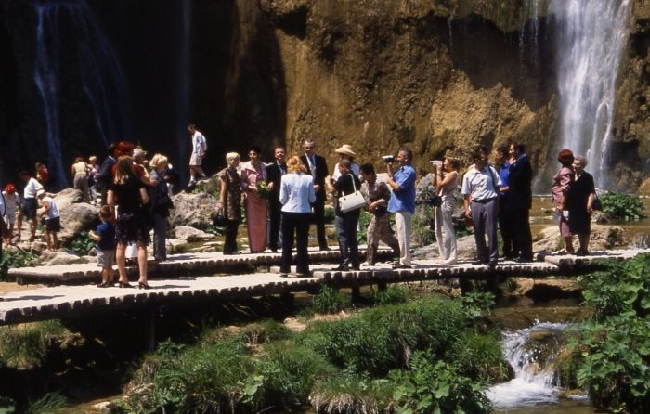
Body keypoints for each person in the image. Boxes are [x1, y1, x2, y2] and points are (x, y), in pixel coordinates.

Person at [107, 156, 151, 289]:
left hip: (122, 215)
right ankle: (142, 279)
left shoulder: (115, 182)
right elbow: (145, 199)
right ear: (129, 166)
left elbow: (109, 202)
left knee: (121, 246)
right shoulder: (136, 180)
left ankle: (123, 278)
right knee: (141, 246)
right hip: (137, 214)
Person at [461, 146, 501, 267]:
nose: (485, 161)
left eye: (486, 158)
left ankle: (493, 257)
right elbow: (466, 194)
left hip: (490, 201)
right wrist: (467, 209)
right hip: (476, 203)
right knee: (478, 231)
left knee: (491, 230)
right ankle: (481, 256)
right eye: (483, 159)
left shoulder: (491, 171)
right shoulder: (468, 175)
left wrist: (496, 202)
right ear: (476, 160)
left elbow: (498, 186)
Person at [278, 156, 316, 277]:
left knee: (286, 242)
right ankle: (302, 269)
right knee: (302, 241)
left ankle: (284, 269)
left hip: (288, 211)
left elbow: (282, 199)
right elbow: (312, 198)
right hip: (304, 212)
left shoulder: (284, 178)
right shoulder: (309, 178)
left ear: (289, 165)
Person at [359, 163, 399, 266]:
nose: (362, 176)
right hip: (375, 211)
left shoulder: (379, 183)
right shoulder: (365, 183)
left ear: (370, 174)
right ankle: (402, 254)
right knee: (386, 236)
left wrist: (377, 202)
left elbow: (389, 197)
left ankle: (370, 260)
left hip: (384, 211)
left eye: (363, 174)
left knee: (371, 233)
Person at [328, 159, 363, 270]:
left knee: (342, 236)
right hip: (354, 210)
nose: (339, 170)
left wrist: (328, 181)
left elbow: (332, 189)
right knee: (352, 237)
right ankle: (355, 262)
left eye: (339, 168)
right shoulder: (355, 177)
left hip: (343, 211)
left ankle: (344, 262)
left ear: (343, 167)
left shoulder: (344, 177)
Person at [386, 147, 417, 269]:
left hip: (404, 205)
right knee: (400, 233)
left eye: (399, 156)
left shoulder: (409, 171)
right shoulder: (401, 169)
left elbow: (398, 187)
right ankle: (403, 259)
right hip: (398, 205)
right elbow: (393, 178)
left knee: (403, 234)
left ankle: (405, 261)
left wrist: (389, 181)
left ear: (406, 158)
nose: (397, 158)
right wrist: (389, 167)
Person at [300, 137, 330, 251]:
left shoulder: (321, 160)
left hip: (319, 192)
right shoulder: (300, 160)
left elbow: (325, 175)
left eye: (310, 148)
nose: (308, 150)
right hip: (305, 194)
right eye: (306, 148)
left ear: (314, 148)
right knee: (304, 220)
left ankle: (323, 244)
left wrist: (320, 185)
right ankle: (303, 245)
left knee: (320, 220)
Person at [432, 157, 461, 265]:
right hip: (440, 201)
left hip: (447, 201)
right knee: (438, 229)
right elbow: (434, 184)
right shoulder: (445, 174)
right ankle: (444, 255)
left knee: (448, 229)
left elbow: (441, 185)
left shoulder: (454, 174)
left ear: (452, 164)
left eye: (446, 162)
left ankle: (453, 256)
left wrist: (439, 171)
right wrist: (436, 172)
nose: (443, 163)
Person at [508, 143, 534, 262]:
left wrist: (511, 167)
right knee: (520, 227)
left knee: (522, 228)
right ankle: (524, 253)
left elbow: (517, 179)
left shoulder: (523, 162)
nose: (510, 152)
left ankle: (526, 255)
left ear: (517, 150)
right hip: (519, 200)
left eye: (511, 149)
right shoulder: (522, 161)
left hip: (520, 201)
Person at [240, 146, 268, 253]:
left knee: (262, 222)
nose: (252, 156)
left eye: (254, 154)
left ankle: (262, 247)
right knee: (252, 223)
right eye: (250, 154)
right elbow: (241, 181)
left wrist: (266, 187)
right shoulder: (244, 167)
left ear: (259, 155)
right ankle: (254, 248)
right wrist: (249, 187)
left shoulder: (264, 166)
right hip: (251, 197)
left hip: (262, 197)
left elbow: (268, 179)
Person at [567, 156, 595, 256]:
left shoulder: (588, 177)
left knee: (585, 227)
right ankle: (580, 248)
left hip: (584, 204)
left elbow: (591, 192)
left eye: (578, 164)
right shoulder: (571, 175)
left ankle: (585, 248)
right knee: (578, 227)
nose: (575, 165)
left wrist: (589, 203)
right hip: (573, 204)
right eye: (574, 163)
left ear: (583, 166)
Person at [217, 152, 242, 255]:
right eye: (236, 160)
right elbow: (223, 188)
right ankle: (228, 249)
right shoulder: (225, 172)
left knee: (235, 225)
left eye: (238, 159)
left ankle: (233, 248)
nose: (237, 162)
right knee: (231, 225)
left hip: (236, 201)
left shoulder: (235, 172)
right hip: (229, 202)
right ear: (230, 160)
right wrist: (221, 201)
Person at [148, 154, 173, 262]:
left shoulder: (158, 175)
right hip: (157, 208)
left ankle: (160, 254)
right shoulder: (154, 176)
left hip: (160, 207)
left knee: (161, 231)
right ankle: (159, 256)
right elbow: (153, 195)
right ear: (158, 164)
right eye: (163, 164)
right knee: (159, 232)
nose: (165, 166)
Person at [551, 149, 575, 254]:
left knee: (564, 222)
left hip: (562, 200)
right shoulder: (568, 169)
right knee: (562, 221)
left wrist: (562, 203)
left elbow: (566, 188)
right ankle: (567, 247)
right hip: (560, 199)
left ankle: (569, 248)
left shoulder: (566, 171)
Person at [495, 146, 515, 259]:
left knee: (510, 225)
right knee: (503, 227)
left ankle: (514, 250)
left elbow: (513, 184)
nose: (497, 156)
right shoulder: (500, 168)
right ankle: (506, 250)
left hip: (510, 199)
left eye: (499, 154)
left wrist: (501, 189)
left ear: (503, 154)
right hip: (501, 200)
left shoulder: (510, 167)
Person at [88, 205, 116, 288]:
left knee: (104, 267)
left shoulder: (100, 227)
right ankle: (111, 281)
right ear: (110, 215)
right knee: (110, 266)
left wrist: (91, 234)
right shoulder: (112, 226)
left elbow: (98, 238)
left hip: (102, 250)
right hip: (111, 249)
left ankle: (104, 281)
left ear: (100, 216)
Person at [265, 146, 286, 252]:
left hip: (287, 198)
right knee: (274, 221)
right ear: (275, 155)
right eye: (278, 152)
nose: (280, 154)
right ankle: (273, 245)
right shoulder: (269, 168)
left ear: (284, 154)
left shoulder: (288, 167)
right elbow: (266, 182)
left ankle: (285, 244)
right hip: (275, 197)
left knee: (287, 221)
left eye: (282, 152)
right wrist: (269, 184)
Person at [19, 170, 44, 241]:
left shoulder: (33, 181)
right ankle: (19, 233)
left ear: (26, 175)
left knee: (33, 219)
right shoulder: (27, 182)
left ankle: (33, 235)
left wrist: (36, 195)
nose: (22, 179)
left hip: (31, 201)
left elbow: (41, 188)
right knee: (19, 215)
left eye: (22, 177)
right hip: (25, 201)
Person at [188, 123, 207, 187]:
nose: (189, 131)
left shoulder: (198, 134)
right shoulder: (193, 136)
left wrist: (202, 151)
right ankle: (192, 179)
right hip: (194, 151)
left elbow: (201, 143)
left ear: (193, 128)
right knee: (191, 165)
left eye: (190, 130)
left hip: (198, 152)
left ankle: (203, 175)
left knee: (193, 165)